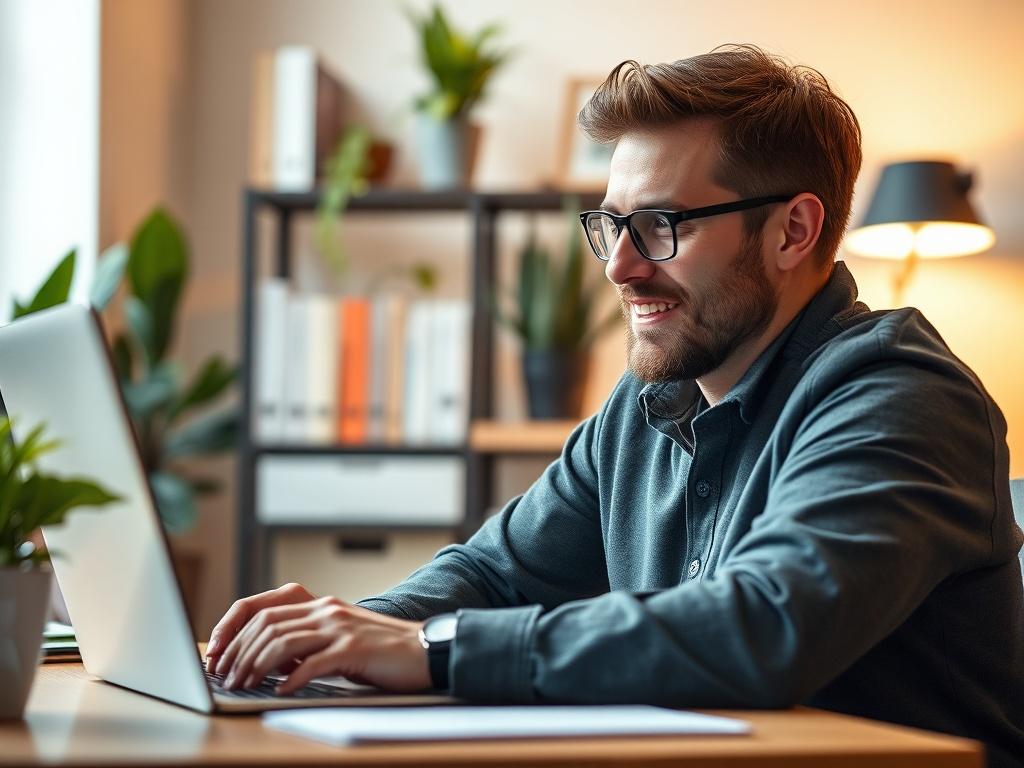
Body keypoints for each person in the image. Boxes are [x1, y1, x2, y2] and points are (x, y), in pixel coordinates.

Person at [206, 44, 1024, 766]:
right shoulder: (645, 405)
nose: (620, 268)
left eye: (662, 226)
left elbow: (764, 626)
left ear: (793, 231)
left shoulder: (903, 394)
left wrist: (429, 648)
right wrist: (333, 642)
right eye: (611, 226)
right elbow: (495, 573)